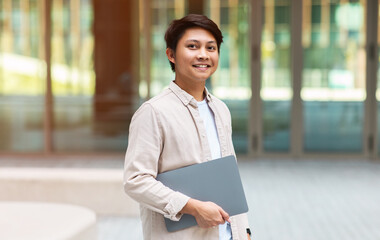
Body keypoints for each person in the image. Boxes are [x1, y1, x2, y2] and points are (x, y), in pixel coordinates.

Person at [124, 14, 251, 240]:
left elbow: (230, 178)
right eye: (193, 46)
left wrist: (245, 232)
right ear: (171, 55)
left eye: (211, 48)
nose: (203, 54)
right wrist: (193, 207)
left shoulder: (221, 110)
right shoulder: (153, 112)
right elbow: (136, 181)